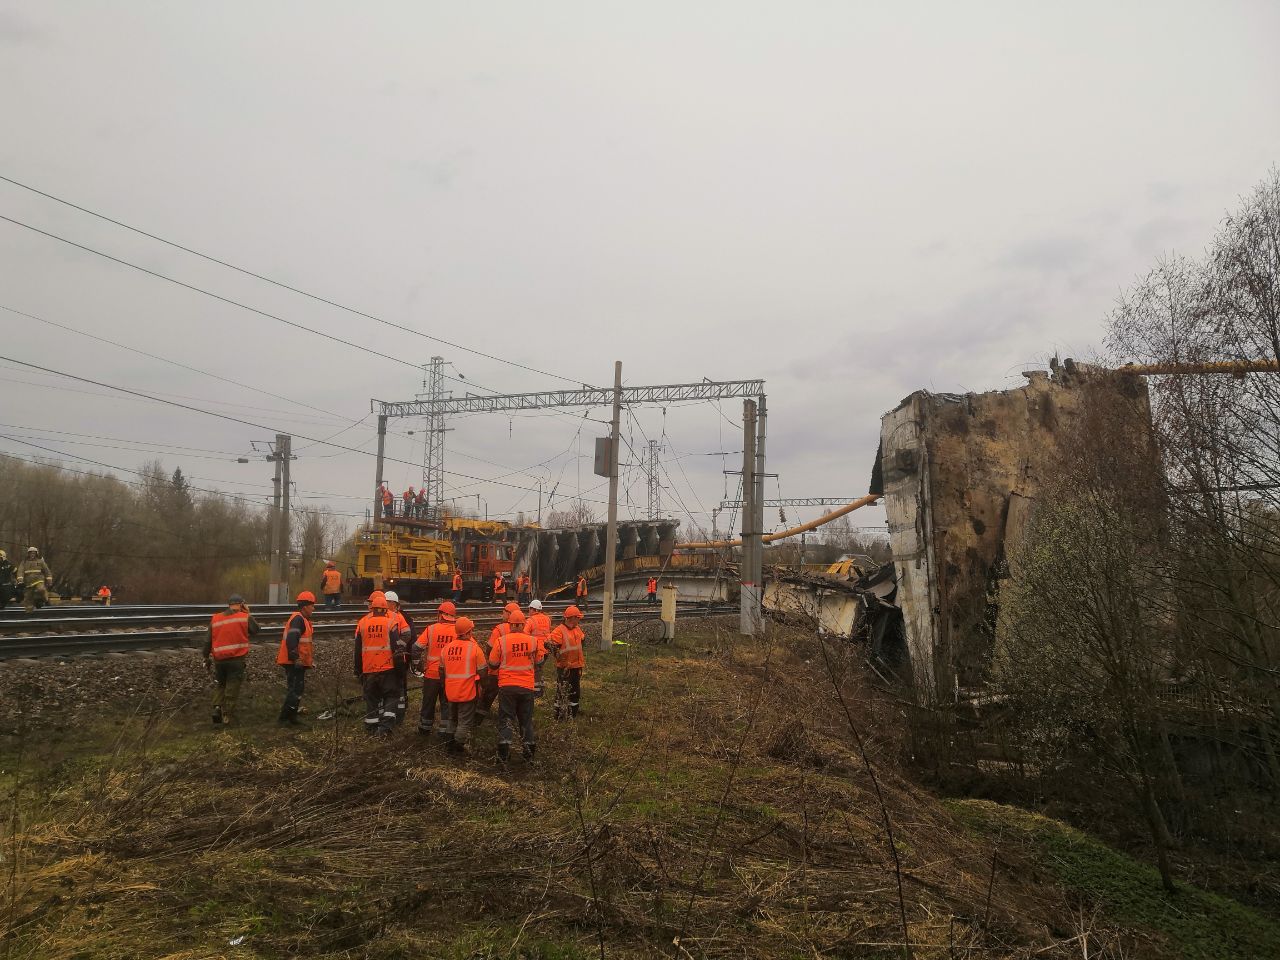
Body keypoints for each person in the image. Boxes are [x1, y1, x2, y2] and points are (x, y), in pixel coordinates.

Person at [487, 609, 546, 766]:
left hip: (506, 687)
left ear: (510, 624)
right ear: (523, 624)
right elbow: (540, 662)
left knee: (506, 719)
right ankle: (528, 755)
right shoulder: (533, 641)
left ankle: (503, 756)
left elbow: (492, 663)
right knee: (525, 720)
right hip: (526, 687)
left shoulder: (501, 641)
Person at [353, 591, 407, 737]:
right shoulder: (390, 623)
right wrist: (400, 669)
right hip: (387, 668)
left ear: (372, 608)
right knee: (391, 696)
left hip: (369, 669)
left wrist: (358, 670)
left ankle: (371, 728)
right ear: (385, 610)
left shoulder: (363, 623)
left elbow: (357, 650)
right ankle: (385, 728)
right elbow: (397, 649)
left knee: (372, 699)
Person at [203, 594, 260, 725]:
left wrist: (206, 656)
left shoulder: (216, 618)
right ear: (241, 604)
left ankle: (216, 707)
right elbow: (256, 630)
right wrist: (249, 613)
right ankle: (227, 716)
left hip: (219, 660)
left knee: (221, 684)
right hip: (236, 659)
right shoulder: (244, 617)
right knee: (232, 686)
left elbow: (207, 641)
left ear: (228, 605)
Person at [441, 616, 487, 756]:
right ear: (468, 632)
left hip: (451, 692)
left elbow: (441, 671)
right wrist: (483, 688)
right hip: (467, 692)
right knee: (464, 722)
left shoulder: (446, 649)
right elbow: (483, 671)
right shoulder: (475, 649)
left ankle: (448, 744)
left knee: (452, 719)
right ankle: (457, 748)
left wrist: (446, 686)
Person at [414, 599, 457, 742]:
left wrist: (417, 664)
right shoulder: (459, 631)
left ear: (441, 614)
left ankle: (424, 730)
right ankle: (444, 731)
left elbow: (416, 648)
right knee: (447, 704)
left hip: (431, 674)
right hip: (450, 677)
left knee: (428, 702)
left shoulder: (431, 629)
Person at [276, 591, 315, 726]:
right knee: (295, 690)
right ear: (305, 607)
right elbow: (292, 639)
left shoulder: (301, 619)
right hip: (293, 662)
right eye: (312, 606)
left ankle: (291, 717)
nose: (313, 608)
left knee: (296, 689)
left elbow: (302, 643)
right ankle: (285, 718)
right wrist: (296, 658)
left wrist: (308, 661)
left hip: (295, 661)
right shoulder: (298, 619)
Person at [478, 603, 521, 722]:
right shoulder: (523, 628)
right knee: (512, 700)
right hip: (514, 673)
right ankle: (511, 722)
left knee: (487, 697)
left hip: (496, 672)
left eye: (504, 612)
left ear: (508, 614)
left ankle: (477, 721)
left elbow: (489, 648)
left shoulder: (500, 629)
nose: (502, 614)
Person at [549, 605, 586, 719]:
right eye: (578, 618)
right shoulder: (559, 631)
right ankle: (558, 716)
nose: (579, 620)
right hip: (565, 668)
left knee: (575, 692)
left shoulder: (577, 628)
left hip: (576, 666)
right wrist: (557, 652)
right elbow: (550, 645)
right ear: (571, 618)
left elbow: (583, 640)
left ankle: (572, 715)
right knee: (561, 691)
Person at [385, 591, 416, 724]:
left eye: (387, 603)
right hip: (388, 660)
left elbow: (410, 637)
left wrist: (399, 649)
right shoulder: (393, 617)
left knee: (399, 686)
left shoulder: (401, 617)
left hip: (399, 659)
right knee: (393, 687)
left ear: (394, 604)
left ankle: (399, 714)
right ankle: (395, 713)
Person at [525, 598, 552, 699]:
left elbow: (525, 635)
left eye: (530, 609)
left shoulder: (530, 620)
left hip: (536, 650)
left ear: (533, 609)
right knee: (540, 669)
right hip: (546, 649)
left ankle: (536, 692)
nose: (529, 611)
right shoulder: (547, 619)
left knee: (535, 670)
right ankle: (541, 687)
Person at [19, 547, 53, 613]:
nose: (32, 554)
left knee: (41, 589)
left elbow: (47, 571)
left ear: (36, 554)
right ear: (28, 554)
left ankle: (45, 599)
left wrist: (49, 579)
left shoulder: (40, 561)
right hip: (28, 582)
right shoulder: (24, 562)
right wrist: (20, 579)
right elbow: (20, 571)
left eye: (34, 553)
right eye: (31, 553)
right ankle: (29, 612)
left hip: (39, 580)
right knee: (28, 597)